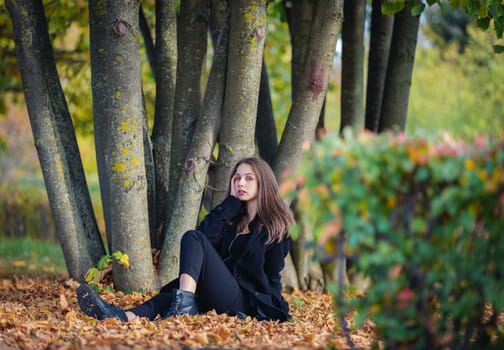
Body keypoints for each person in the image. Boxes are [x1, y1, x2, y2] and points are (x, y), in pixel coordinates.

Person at [77, 157, 295, 322]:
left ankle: (183, 304)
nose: (241, 183)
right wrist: (230, 204)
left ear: (263, 184)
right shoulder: (231, 222)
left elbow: (273, 277)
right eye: (236, 178)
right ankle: (122, 317)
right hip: (219, 294)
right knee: (169, 297)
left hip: (244, 303)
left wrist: (275, 311)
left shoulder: (275, 228)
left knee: (191, 242)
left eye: (249, 179)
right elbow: (203, 241)